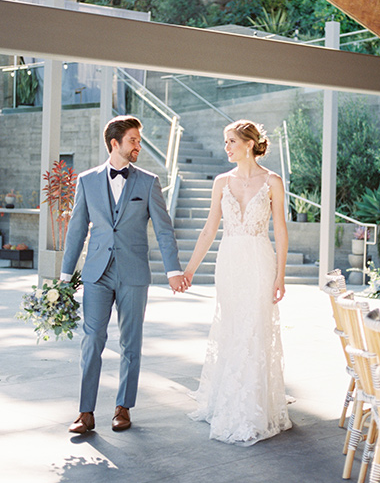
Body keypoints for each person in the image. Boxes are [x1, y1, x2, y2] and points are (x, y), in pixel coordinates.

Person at [61, 115, 187, 434]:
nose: (138, 146)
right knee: (92, 340)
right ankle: (85, 412)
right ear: (115, 143)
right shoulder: (87, 181)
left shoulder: (148, 182)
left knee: (131, 343)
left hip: (133, 273)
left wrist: (173, 270)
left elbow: (163, 229)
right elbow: (76, 230)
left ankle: (123, 407)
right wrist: (65, 276)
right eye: (133, 140)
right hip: (97, 274)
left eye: (138, 141)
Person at [185, 119, 292, 445]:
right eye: (226, 141)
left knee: (256, 328)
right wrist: (189, 270)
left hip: (260, 261)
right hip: (229, 263)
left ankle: (254, 407)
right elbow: (208, 229)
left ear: (249, 143)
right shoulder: (221, 181)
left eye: (231, 141)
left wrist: (281, 274)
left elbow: (281, 230)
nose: (227, 147)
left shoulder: (273, 181)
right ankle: (226, 400)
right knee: (232, 328)